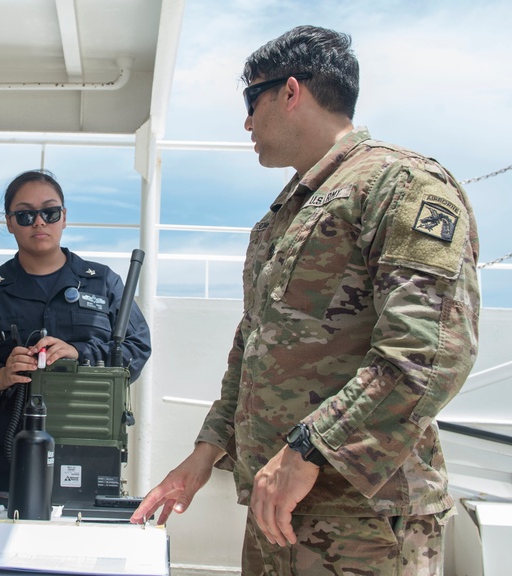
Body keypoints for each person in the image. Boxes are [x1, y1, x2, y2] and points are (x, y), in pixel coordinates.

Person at [130, 26, 480, 575]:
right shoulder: (283, 216)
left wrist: (307, 451)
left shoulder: (403, 184)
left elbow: (428, 354)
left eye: (252, 101)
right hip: (276, 512)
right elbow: (253, 348)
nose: (246, 122)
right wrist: (203, 456)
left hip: (365, 523)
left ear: (291, 92)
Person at [0, 169, 152, 493]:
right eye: (25, 215)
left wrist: (81, 354)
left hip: (87, 447)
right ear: (9, 222)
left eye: (49, 212)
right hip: (1, 458)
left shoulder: (104, 282)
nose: (39, 222)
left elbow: (136, 346)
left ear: (63, 217)